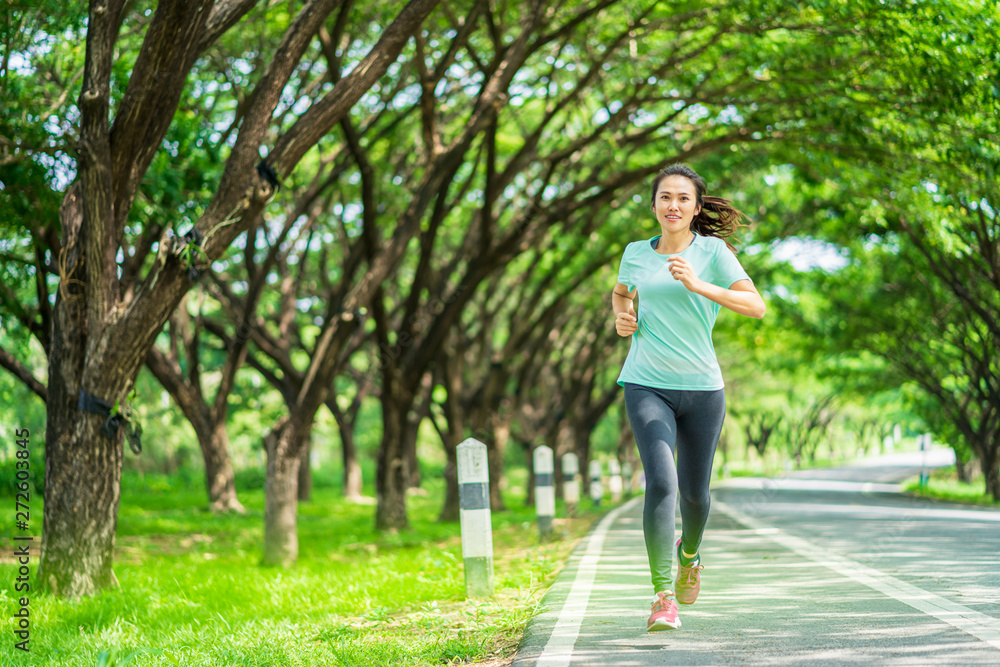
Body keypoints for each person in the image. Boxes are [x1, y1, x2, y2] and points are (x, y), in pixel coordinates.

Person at [612, 164, 765, 632]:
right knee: (662, 483)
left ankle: (690, 555)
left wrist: (698, 284)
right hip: (646, 382)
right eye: (664, 197)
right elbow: (621, 294)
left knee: (696, 496)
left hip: (703, 388)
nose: (672, 205)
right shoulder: (637, 253)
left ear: (696, 208)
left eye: (682, 198)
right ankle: (662, 595)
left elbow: (756, 306)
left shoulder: (713, 252)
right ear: (654, 205)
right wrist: (624, 316)